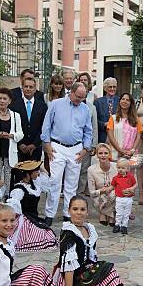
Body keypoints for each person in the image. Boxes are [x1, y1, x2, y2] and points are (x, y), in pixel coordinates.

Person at [53, 196, 128, 286]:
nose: (79, 212)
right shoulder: (68, 233)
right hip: (71, 278)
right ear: (69, 211)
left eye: (82, 209)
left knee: (109, 272)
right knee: (109, 275)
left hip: (85, 273)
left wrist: (96, 272)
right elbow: (69, 269)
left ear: (87, 212)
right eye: (75, 209)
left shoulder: (89, 229)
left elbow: (92, 258)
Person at [41, 82, 93, 226]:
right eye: (78, 96)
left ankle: (67, 214)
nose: (80, 100)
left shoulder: (85, 109)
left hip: (76, 149)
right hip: (57, 146)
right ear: (71, 92)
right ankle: (49, 214)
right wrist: (46, 144)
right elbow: (46, 125)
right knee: (54, 181)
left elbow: (88, 130)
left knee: (72, 184)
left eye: (83, 97)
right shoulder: (56, 104)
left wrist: (85, 149)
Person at [5, 160, 57, 252]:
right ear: (28, 174)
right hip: (24, 221)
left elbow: (47, 181)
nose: (38, 173)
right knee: (41, 236)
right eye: (35, 171)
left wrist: (38, 166)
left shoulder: (34, 184)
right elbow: (12, 208)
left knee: (48, 235)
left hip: (34, 218)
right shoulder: (18, 189)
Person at [10, 74, 47, 163]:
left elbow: (44, 127)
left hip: (35, 149)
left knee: (34, 175)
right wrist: (20, 144)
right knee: (19, 175)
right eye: (26, 86)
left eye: (31, 87)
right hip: (18, 148)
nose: (28, 89)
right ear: (22, 88)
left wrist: (35, 144)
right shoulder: (14, 105)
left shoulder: (42, 106)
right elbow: (12, 126)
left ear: (35, 89)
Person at [87, 144, 118, 226]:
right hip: (100, 197)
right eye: (100, 153)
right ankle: (110, 215)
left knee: (113, 194)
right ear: (97, 155)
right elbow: (91, 192)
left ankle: (105, 214)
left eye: (106, 153)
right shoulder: (91, 169)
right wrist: (101, 190)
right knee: (104, 196)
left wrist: (111, 188)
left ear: (109, 154)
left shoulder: (116, 167)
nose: (103, 156)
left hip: (114, 196)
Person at [106, 93, 143, 162]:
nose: (124, 101)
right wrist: (120, 150)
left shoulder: (136, 119)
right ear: (119, 101)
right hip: (116, 154)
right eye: (123, 99)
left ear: (130, 103)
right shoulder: (113, 118)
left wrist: (132, 150)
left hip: (131, 155)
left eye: (127, 100)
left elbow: (138, 137)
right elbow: (110, 136)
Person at [111, 159, 136, 234]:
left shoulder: (130, 177)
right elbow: (112, 185)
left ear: (127, 169)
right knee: (119, 212)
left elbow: (135, 184)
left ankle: (124, 226)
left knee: (126, 213)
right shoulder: (116, 178)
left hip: (128, 198)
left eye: (123, 168)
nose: (120, 170)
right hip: (119, 198)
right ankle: (117, 224)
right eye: (119, 168)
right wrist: (108, 189)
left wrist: (132, 188)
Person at [93, 77, 119, 144]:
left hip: (118, 136)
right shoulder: (98, 102)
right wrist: (104, 124)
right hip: (103, 136)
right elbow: (94, 120)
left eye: (114, 87)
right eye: (110, 87)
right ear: (105, 88)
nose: (112, 89)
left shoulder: (120, 101)